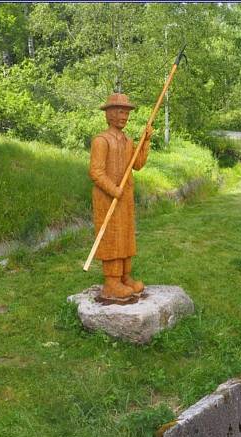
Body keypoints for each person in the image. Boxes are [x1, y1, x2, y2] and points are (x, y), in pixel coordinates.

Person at [89, 92, 153, 299]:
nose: (124, 116)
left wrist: (145, 141)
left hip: (125, 198)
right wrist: (113, 189)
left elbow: (138, 164)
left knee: (125, 236)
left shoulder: (127, 141)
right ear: (108, 115)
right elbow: (96, 172)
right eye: (119, 112)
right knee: (112, 237)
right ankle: (111, 283)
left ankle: (125, 277)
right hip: (107, 198)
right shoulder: (101, 140)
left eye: (126, 113)